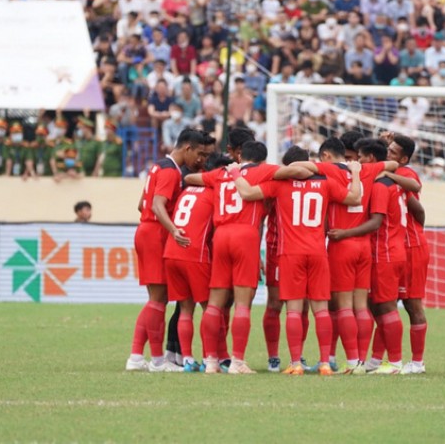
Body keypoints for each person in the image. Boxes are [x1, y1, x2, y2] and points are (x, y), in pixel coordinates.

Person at [230, 145, 362, 375]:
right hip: (319, 251)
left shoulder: (280, 184)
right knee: (320, 310)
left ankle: (295, 363)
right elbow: (354, 197)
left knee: (292, 309)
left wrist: (234, 174)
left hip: (290, 253)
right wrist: (357, 172)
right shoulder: (325, 183)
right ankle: (323, 363)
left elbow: (248, 193)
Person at [184, 140, 309, 374]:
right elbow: (298, 171)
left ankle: (210, 361)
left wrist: (222, 178)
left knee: (214, 303)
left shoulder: (221, 173)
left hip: (220, 236)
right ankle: (237, 362)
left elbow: (190, 179)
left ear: (240, 157)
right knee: (243, 303)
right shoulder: (263, 170)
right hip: (245, 235)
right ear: (262, 159)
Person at [293, 136, 400, 374]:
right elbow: (393, 165)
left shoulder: (327, 169)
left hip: (342, 242)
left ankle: (352, 362)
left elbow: (300, 167)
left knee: (343, 307)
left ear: (327, 156)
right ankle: (361, 361)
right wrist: (362, 170)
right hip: (364, 246)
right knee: (361, 306)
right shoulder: (368, 169)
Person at [127, 128, 213, 373]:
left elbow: (141, 204)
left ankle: (136, 356)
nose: (200, 161)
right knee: (158, 299)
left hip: (147, 230)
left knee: (157, 299)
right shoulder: (170, 171)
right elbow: (155, 205)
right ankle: (157, 361)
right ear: (187, 148)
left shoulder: (159, 165)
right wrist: (173, 229)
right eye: (199, 154)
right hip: (155, 234)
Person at [164, 152, 232, 372]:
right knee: (210, 308)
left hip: (172, 251)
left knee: (185, 309)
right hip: (195, 253)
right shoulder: (215, 192)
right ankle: (209, 358)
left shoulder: (187, 189)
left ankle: (187, 360)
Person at [353, 138, 407, 374]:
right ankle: (376, 360)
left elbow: (376, 222)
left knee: (386, 308)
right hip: (392, 250)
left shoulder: (381, 186)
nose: (357, 161)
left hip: (385, 252)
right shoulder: (392, 183)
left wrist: (345, 233)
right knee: (379, 307)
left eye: (360, 157)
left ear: (372, 160)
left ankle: (395, 362)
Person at [385, 134, 429, 374]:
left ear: (403, 159)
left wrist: (414, 234)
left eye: (393, 152)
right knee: (385, 303)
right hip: (394, 249)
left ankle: (417, 362)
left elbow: (419, 208)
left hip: (412, 248)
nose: (388, 154)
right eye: (387, 150)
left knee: (412, 304)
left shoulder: (405, 174)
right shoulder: (387, 170)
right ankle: (387, 359)